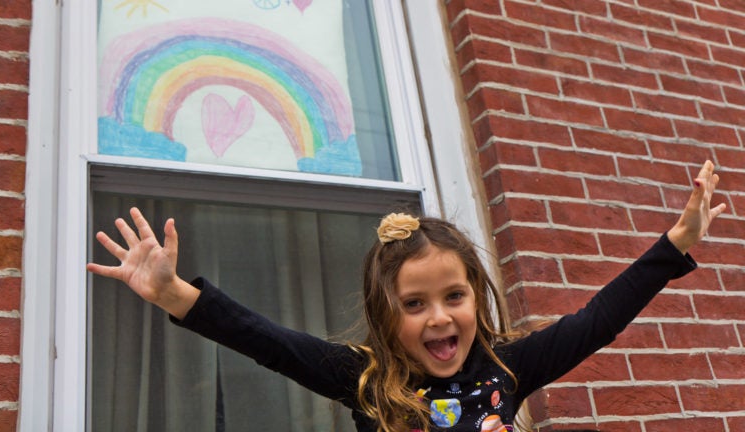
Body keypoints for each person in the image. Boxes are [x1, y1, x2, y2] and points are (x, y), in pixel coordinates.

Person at [87, 160, 725, 432]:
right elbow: (268, 342)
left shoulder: (509, 367)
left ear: (476, 297)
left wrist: (672, 244)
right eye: (415, 304)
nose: (440, 316)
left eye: (453, 296)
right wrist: (175, 293)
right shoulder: (364, 379)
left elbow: (598, 320)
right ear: (385, 315)